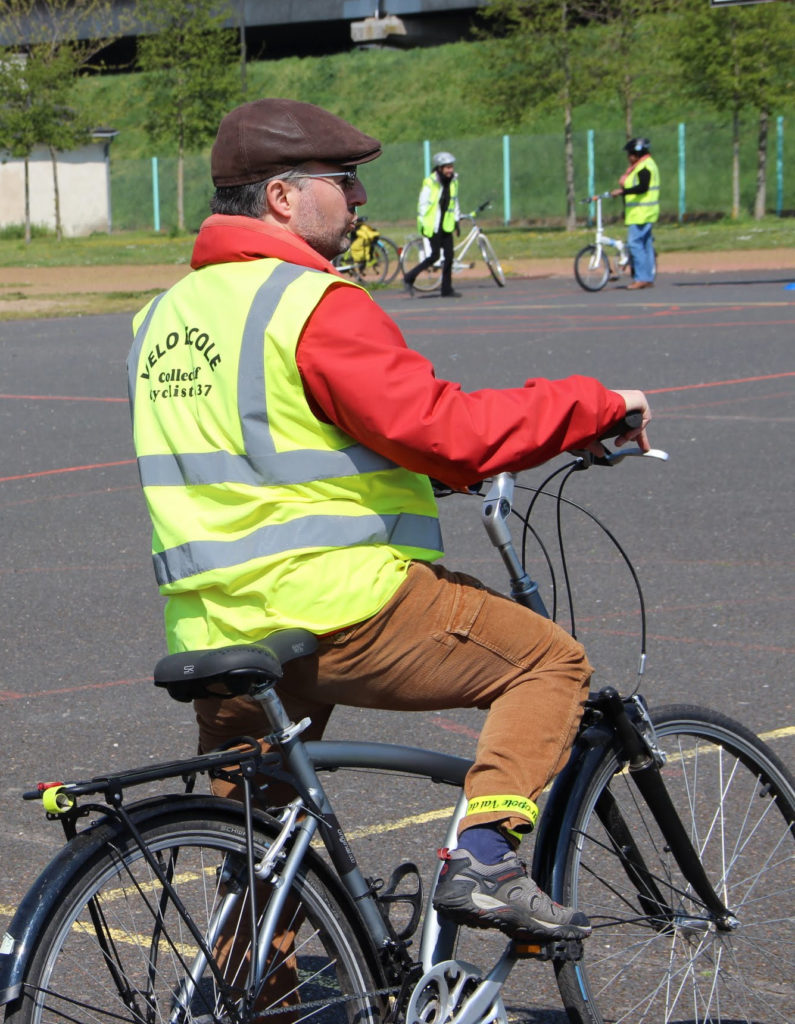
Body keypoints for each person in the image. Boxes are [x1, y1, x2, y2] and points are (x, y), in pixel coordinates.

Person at [128, 98, 652, 943]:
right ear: (282, 198)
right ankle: (484, 859)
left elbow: (259, 450)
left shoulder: (162, 319)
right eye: (343, 180)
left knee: (260, 866)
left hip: (214, 623)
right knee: (550, 664)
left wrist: (399, 477)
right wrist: (589, 406)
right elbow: (449, 429)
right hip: (338, 608)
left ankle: (245, 988)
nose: (361, 198)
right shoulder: (308, 302)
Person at [403, 151, 461, 298]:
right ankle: (409, 277)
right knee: (434, 256)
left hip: (446, 225)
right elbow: (422, 204)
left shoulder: (453, 181)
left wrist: (457, 220)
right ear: (440, 168)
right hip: (432, 226)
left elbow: (454, 201)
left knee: (449, 256)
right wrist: (422, 223)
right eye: (447, 167)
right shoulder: (430, 182)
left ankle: (446, 289)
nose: (450, 170)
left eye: (451, 167)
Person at [610, 136, 660, 290]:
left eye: (629, 155)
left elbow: (642, 187)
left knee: (635, 244)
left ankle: (641, 278)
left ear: (635, 154)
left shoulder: (644, 167)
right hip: (645, 211)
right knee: (646, 245)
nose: (628, 158)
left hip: (641, 212)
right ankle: (648, 278)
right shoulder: (647, 164)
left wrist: (622, 192)